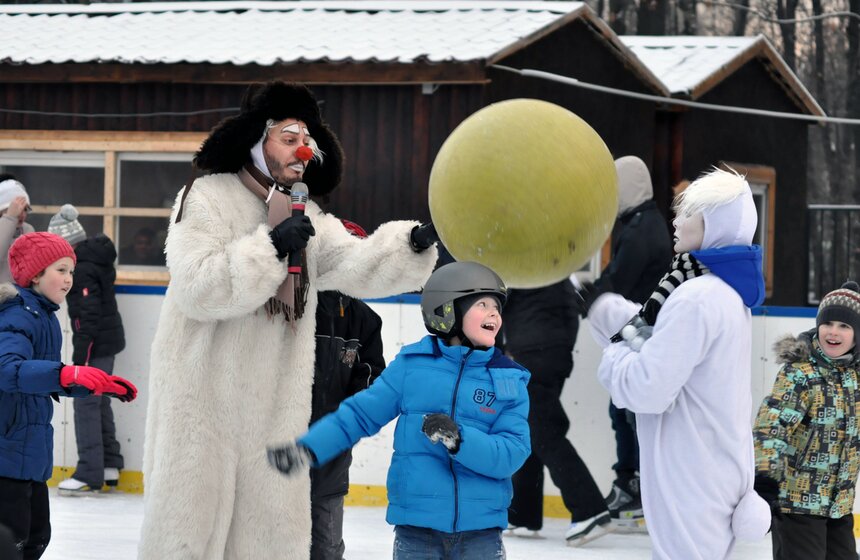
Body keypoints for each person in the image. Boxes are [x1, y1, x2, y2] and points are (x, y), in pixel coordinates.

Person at [138, 81, 439, 560]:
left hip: (271, 411)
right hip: (203, 407)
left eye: (309, 138)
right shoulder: (206, 197)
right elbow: (198, 287)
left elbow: (359, 263)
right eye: (289, 134)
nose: (305, 147)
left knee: (267, 543)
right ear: (258, 141)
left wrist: (413, 243)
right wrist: (272, 247)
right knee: (187, 539)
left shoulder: (308, 216)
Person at [268, 261, 531, 560]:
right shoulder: (411, 367)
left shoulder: (508, 379)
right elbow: (358, 415)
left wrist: (459, 440)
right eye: (482, 304)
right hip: (418, 531)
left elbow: (513, 452)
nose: (494, 313)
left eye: (496, 306)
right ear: (446, 311)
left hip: (480, 536)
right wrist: (309, 448)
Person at [582, 168, 771, 559]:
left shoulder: (696, 298)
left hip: (691, 473)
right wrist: (607, 312)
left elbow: (647, 389)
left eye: (688, 213)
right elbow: (663, 339)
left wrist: (612, 354)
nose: (677, 220)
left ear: (713, 225)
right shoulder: (719, 291)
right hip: (712, 467)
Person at [0, 232, 136, 559]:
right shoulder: (17, 315)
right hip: (7, 456)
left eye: (71, 272)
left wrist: (91, 383)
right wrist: (67, 373)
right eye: (60, 270)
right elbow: (8, 370)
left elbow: (43, 380)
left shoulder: (42, 314)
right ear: (35, 274)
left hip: (29, 454)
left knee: (35, 540)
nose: (68, 280)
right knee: (13, 544)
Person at [579, 155, 673, 530]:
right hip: (638, 329)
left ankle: (636, 486)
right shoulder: (646, 224)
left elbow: (619, 279)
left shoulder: (640, 229)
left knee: (627, 412)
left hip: (637, 331)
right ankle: (636, 484)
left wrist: (591, 295)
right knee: (626, 412)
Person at [753, 281, 860, 560]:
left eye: (845, 326)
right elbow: (771, 426)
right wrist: (764, 478)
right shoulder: (800, 373)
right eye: (829, 323)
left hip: (838, 505)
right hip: (797, 504)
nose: (834, 332)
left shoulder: (855, 377)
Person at [503, 279, 612, 545]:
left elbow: (500, 295)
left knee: (544, 432)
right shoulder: (552, 262)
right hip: (553, 344)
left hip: (534, 345)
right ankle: (523, 515)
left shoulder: (521, 256)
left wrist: (497, 347)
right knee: (533, 426)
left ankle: (590, 510)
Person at [310, 219, 386, 560]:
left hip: (331, 445)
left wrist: (349, 421)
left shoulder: (364, 319)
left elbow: (370, 375)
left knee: (325, 540)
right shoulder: (293, 303)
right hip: (279, 436)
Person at [47, 204, 127, 495]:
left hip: (97, 342)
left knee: (85, 401)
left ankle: (90, 473)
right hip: (108, 339)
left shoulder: (81, 269)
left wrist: (80, 357)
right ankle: (109, 465)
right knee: (100, 399)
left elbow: (88, 317)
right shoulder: (94, 259)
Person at [0, 174, 34, 284]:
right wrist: (9, 218)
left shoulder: (28, 229)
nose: (21, 214)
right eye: (15, 208)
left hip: (19, 297)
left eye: (25, 209)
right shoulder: (7, 223)